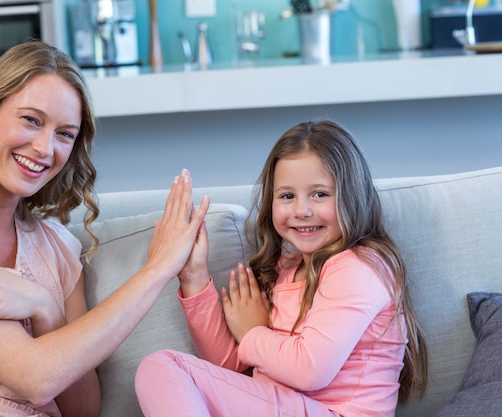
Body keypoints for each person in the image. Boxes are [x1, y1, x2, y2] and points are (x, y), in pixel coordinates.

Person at [0, 41, 209, 417]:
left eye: (64, 134)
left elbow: (82, 409)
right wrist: (157, 269)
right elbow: (34, 378)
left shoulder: (57, 249)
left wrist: (45, 308)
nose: (44, 148)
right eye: (31, 120)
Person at [135, 120, 428, 417]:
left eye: (320, 194)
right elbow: (231, 366)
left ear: (353, 196)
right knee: (160, 370)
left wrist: (252, 330)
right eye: (287, 196)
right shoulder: (287, 269)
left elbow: (311, 369)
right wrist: (193, 277)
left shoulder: (360, 267)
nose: (302, 210)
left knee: (163, 366)